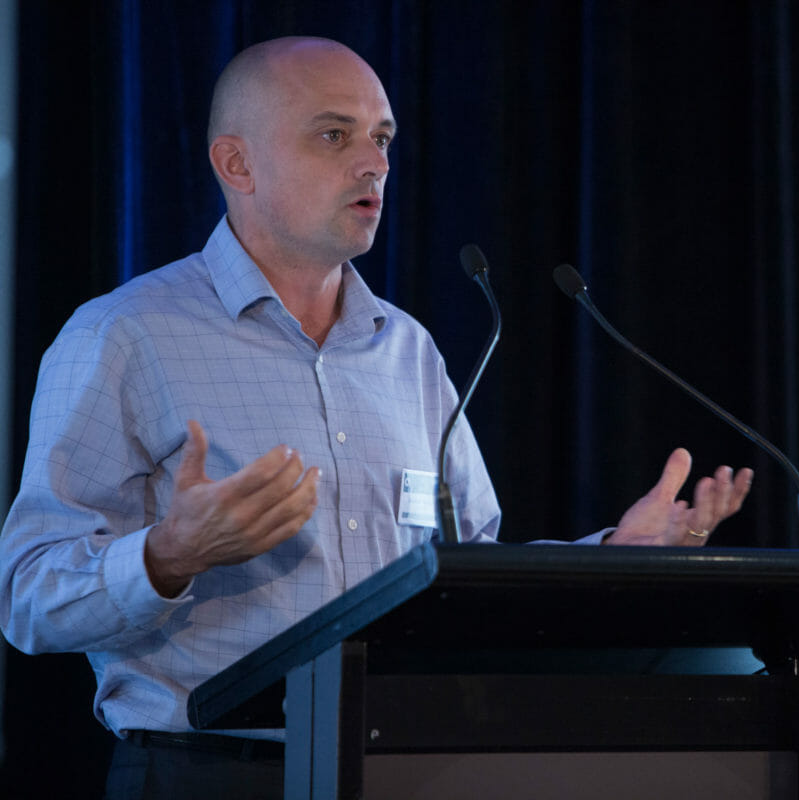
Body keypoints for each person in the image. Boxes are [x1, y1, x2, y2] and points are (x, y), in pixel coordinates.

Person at [0, 36, 753, 797]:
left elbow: (468, 572)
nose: (374, 163)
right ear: (237, 164)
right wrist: (168, 555)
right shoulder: (124, 335)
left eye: (383, 138)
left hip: (404, 768)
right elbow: (28, 597)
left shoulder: (408, 351)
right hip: (212, 774)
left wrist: (615, 556)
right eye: (335, 135)